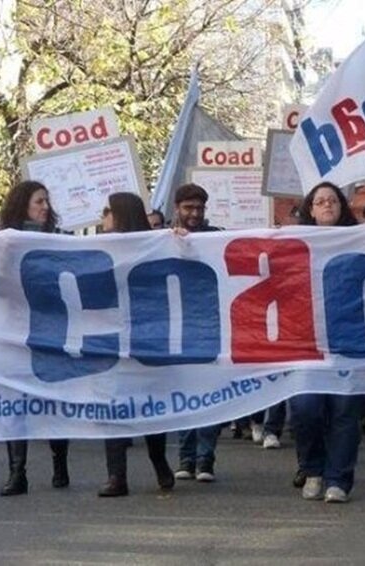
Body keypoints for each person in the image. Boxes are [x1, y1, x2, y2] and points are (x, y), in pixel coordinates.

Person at [0, 180, 71, 496]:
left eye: (46, 202)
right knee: (16, 402)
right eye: (39, 201)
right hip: (15, 331)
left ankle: (60, 463)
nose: (45, 207)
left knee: (54, 399)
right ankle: (17, 472)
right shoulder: (5, 244)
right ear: (22, 204)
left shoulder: (59, 242)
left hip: (51, 330)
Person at [97, 192, 175, 497]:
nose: (102, 216)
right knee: (112, 404)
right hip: (111, 337)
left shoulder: (152, 246)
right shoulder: (96, 247)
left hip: (146, 337)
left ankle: (158, 460)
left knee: (150, 404)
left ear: (121, 214)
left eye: (107, 210)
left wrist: (179, 238)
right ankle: (116, 476)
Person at [290, 181, 364, 503]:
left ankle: (339, 479)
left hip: (347, 338)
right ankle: (313, 469)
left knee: (345, 411)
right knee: (305, 409)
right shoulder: (292, 243)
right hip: (305, 341)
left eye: (332, 200)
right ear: (310, 209)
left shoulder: (360, 239)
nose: (327, 205)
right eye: (320, 201)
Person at [171, 183, 224, 483]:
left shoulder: (217, 237)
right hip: (177, 328)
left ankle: (206, 459)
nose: (194, 214)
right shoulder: (162, 239)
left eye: (199, 209)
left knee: (208, 394)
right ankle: (185, 458)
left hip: (210, 327)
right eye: (189, 208)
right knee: (184, 393)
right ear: (177, 208)